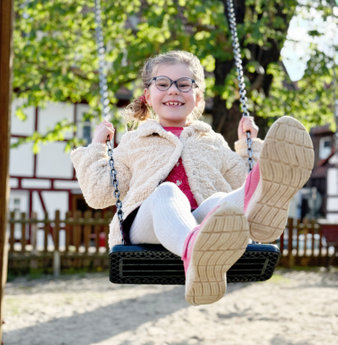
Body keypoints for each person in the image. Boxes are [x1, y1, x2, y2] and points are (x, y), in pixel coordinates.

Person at [71, 50, 314, 306]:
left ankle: (263, 192)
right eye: (162, 84)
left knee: (222, 200)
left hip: (202, 224)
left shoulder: (211, 141)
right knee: (167, 193)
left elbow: (238, 178)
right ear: (148, 97)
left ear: (197, 98)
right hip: (146, 226)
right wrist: (98, 147)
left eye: (184, 84)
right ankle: (195, 251)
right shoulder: (134, 142)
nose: (173, 90)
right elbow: (99, 194)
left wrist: (248, 146)